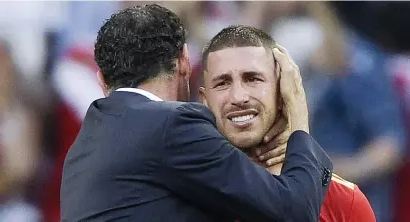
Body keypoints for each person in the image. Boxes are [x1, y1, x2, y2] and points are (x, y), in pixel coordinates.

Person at [60, 4, 333, 222]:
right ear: (184, 62)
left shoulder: (82, 148)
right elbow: (295, 212)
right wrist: (297, 115)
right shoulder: (171, 125)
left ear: (102, 81)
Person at [198, 25, 376, 222]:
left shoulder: (343, 201)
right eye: (223, 83)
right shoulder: (184, 195)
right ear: (204, 100)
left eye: (253, 79)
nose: (239, 97)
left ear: (283, 90)